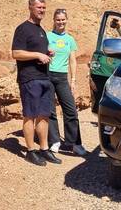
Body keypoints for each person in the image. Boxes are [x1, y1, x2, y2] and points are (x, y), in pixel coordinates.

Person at [11, 0, 62, 166]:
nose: (42, 11)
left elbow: (37, 51)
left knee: (44, 115)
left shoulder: (41, 30)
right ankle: (31, 151)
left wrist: (47, 53)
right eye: (39, 7)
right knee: (30, 115)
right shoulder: (23, 29)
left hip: (44, 77)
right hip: (29, 78)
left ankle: (44, 149)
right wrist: (37, 54)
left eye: (44, 8)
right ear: (30, 8)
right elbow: (16, 53)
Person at [47, 9, 87, 156]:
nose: (61, 22)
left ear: (66, 20)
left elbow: (72, 60)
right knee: (50, 110)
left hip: (63, 78)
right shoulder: (47, 36)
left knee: (71, 111)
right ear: (54, 20)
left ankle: (74, 143)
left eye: (63, 19)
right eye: (58, 19)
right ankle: (55, 141)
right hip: (48, 76)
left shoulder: (70, 39)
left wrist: (73, 80)